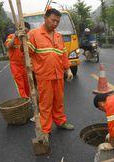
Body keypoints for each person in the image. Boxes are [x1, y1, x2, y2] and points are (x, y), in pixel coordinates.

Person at [27, 8, 74, 138]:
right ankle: (45, 130)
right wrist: (21, 39)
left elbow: (63, 55)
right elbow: (26, 52)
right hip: (44, 76)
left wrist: (68, 69)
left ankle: (60, 122)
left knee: (59, 101)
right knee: (45, 104)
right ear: (45, 18)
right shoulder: (34, 34)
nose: (55, 23)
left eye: (57, 21)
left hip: (58, 75)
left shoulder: (58, 36)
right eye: (53, 20)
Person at [5, 22, 31, 98]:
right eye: (25, 31)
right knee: (21, 86)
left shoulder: (26, 38)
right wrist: (15, 36)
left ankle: (28, 99)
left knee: (27, 85)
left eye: (27, 31)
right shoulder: (11, 36)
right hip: (15, 66)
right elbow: (8, 46)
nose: (25, 32)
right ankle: (25, 102)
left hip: (25, 65)